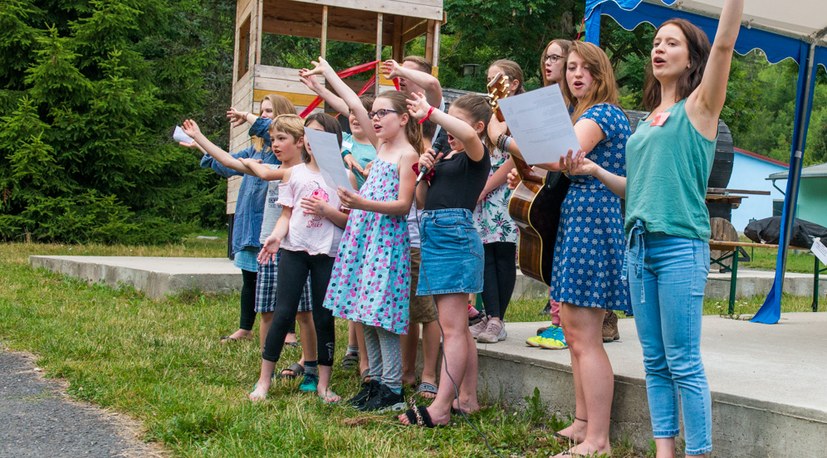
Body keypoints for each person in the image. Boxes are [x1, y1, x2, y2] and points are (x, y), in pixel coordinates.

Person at [563, 2, 743, 455]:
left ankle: (697, 452)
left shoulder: (700, 107)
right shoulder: (645, 122)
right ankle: (664, 451)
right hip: (638, 249)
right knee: (656, 361)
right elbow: (638, 187)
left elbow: (724, 44)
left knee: (684, 361)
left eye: (672, 43)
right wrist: (595, 172)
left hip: (681, 247)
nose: (659, 49)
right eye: (656, 43)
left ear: (692, 57)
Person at [500, 41, 631, 456]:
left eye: (585, 69)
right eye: (571, 67)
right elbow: (551, 166)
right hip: (582, 220)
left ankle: (599, 439)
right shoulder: (583, 113)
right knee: (574, 331)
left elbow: (559, 156)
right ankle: (582, 422)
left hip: (592, 223)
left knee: (585, 333)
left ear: (601, 73)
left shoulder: (602, 113)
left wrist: (504, 140)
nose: (576, 75)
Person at [303, 57, 420, 412]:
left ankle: (393, 389)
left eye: (384, 113)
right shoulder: (381, 145)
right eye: (375, 113)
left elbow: (403, 205)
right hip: (364, 240)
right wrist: (328, 73)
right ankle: (375, 382)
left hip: (385, 242)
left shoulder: (408, 154)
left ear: (403, 118)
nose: (376, 118)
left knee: (381, 315)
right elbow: (354, 103)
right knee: (362, 310)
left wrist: (362, 202)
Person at [398, 93, 491, 427]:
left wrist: (433, 112)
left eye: (455, 120)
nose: (447, 129)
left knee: (451, 329)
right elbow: (422, 201)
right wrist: (425, 171)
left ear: (479, 127)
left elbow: (466, 136)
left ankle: (440, 407)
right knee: (458, 329)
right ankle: (467, 399)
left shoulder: (477, 156)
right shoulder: (447, 157)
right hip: (436, 234)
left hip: (455, 238)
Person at [247, 113, 347, 403]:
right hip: (295, 250)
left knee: (323, 316)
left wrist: (327, 211)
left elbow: (348, 222)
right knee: (283, 313)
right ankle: (264, 380)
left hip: (327, 253)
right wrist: (276, 237)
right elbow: (287, 215)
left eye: (320, 135)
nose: (313, 141)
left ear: (334, 140)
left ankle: (324, 385)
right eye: (309, 135)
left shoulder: (342, 177)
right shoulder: (294, 173)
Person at [182, 94, 297, 347]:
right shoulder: (255, 150)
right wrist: (199, 142)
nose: (264, 115)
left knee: (281, 282)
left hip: (272, 225)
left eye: (269, 111)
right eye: (261, 110)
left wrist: (247, 116)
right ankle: (245, 327)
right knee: (250, 279)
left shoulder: (283, 152)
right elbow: (225, 163)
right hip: (249, 221)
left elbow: (273, 129)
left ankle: (289, 332)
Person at [468, 59, 522, 344]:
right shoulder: (486, 113)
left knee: (502, 254)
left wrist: (484, 188)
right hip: (482, 192)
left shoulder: (519, 115)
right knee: (484, 254)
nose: (490, 84)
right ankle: (490, 316)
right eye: (488, 79)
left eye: (496, 79)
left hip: (505, 190)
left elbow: (516, 157)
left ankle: (498, 318)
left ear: (512, 84)